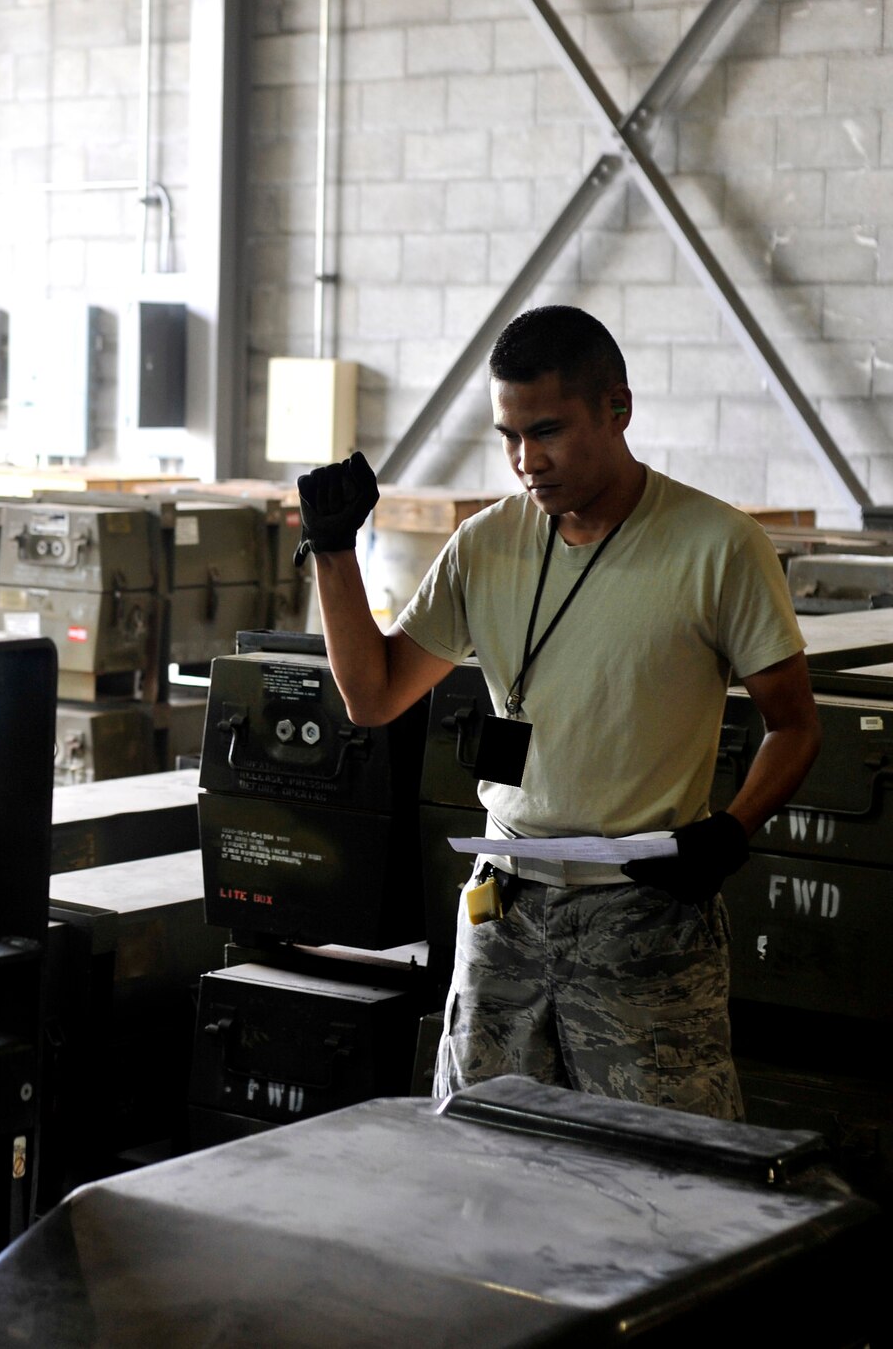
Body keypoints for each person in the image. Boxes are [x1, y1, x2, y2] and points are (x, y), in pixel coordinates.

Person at [295, 305, 820, 1120]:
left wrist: (732, 832)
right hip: (501, 905)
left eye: (547, 431)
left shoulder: (718, 547)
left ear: (618, 410)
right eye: (508, 435)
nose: (525, 460)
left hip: (642, 914)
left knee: (664, 1162)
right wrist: (333, 554)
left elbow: (795, 725)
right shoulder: (486, 543)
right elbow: (374, 696)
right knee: (482, 1152)